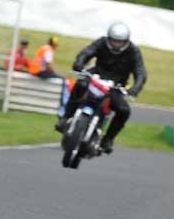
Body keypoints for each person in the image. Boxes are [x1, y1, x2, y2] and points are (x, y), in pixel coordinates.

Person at [57, 22, 147, 154]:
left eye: (120, 42)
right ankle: (66, 118)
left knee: (124, 110)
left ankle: (108, 139)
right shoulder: (101, 42)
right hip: (96, 76)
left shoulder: (133, 51)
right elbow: (87, 52)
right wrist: (79, 63)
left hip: (116, 86)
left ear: (126, 41)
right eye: (114, 41)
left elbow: (140, 72)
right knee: (80, 85)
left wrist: (135, 88)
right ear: (109, 38)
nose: (116, 44)